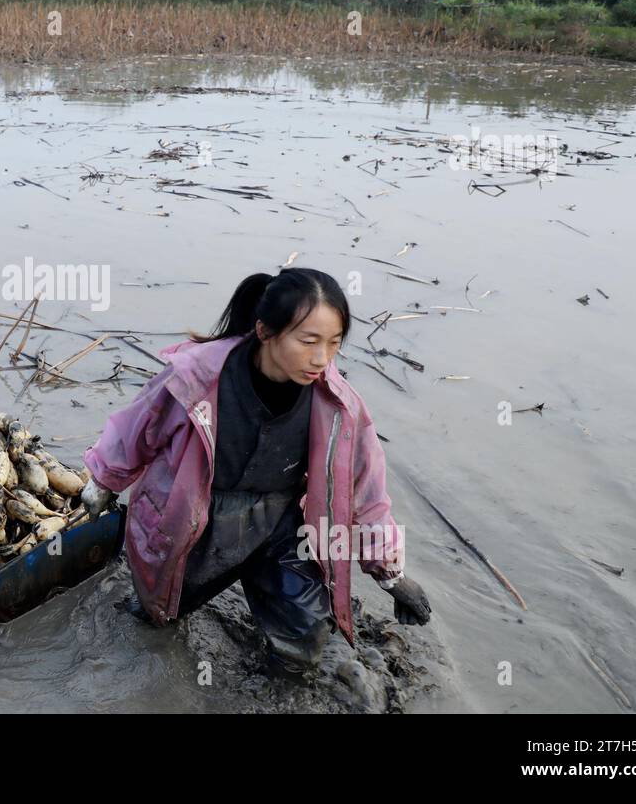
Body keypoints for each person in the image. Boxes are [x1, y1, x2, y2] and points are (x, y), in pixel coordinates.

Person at [80, 268, 431, 676]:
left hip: (279, 524)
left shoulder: (337, 406)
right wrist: (102, 481)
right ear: (265, 332)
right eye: (308, 341)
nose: (322, 358)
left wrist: (390, 574)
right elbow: (137, 428)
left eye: (334, 344)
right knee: (155, 618)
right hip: (195, 519)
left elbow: (365, 493)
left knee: (303, 637)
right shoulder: (197, 379)